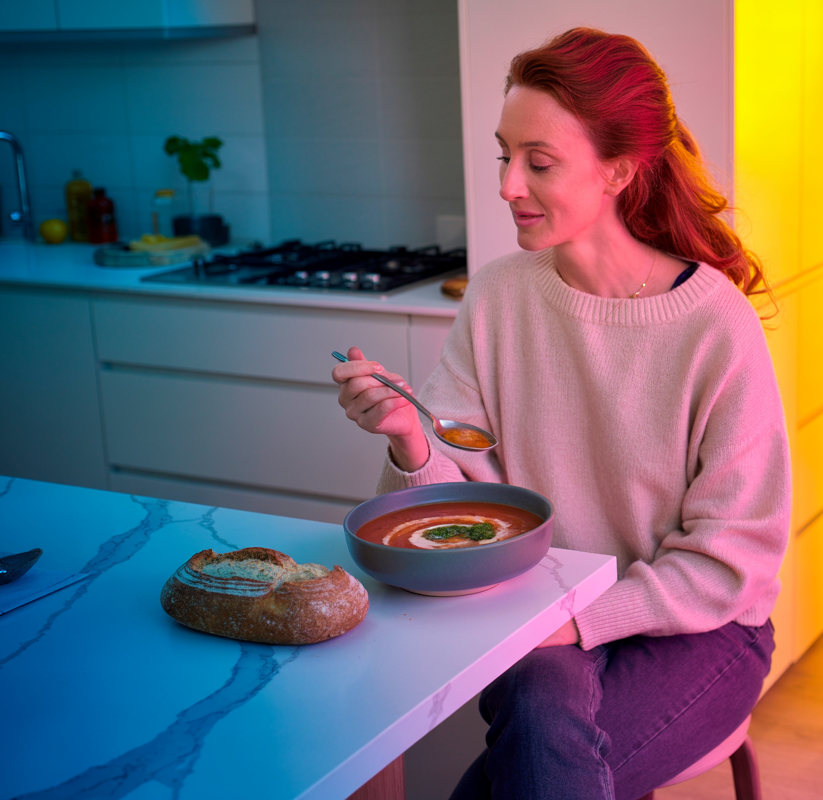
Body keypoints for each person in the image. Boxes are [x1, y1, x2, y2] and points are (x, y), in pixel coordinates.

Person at [332, 27, 790, 800]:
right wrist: (410, 437)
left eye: (538, 163)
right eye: (504, 156)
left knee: (532, 723)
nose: (509, 185)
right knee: (542, 708)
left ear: (620, 169)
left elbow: (730, 562)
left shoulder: (715, 325)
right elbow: (458, 509)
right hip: (547, 611)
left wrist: (576, 620)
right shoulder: (503, 295)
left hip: (705, 631)